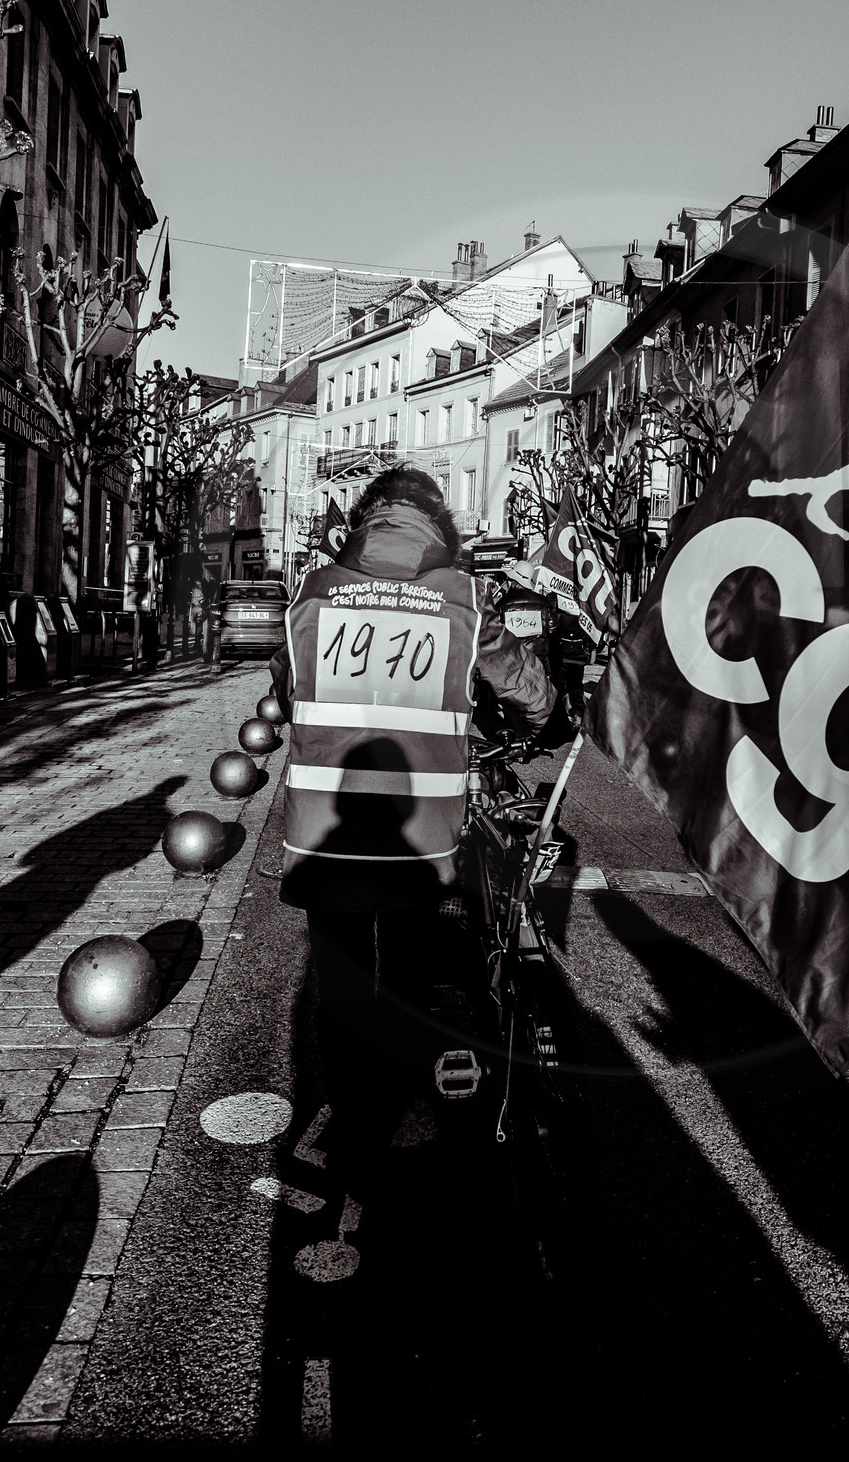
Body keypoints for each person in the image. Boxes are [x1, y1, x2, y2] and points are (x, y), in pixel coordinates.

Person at [269, 466, 555, 1171]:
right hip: (418, 837)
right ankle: (398, 1095)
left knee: (337, 984)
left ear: (367, 520)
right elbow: (518, 679)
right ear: (439, 525)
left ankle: (353, 1118)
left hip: (325, 835)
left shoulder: (315, 591)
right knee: (404, 973)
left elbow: (286, 678)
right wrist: (550, 712)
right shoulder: (460, 597)